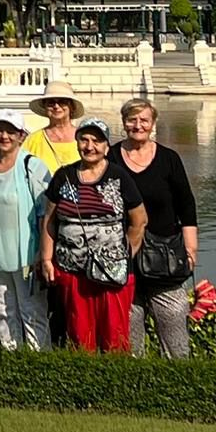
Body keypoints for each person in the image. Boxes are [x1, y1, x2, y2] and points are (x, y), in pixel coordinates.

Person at [39, 116, 147, 352]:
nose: (89, 146)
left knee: (115, 336)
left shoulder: (118, 177)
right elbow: (49, 220)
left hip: (112, 272)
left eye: (96, 141)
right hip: (72, 270)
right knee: (79, 334)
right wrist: (47, 259)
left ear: (106, 146)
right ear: (76, 142)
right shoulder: (63, 176)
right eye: (84, 140)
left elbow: (139, 220)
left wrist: (123, 254)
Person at [112, 98, 198, 358]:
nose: (137, 125)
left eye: (144, 120)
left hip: (166, 254)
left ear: (153, 124)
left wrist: (191, 249)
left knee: (175, 336)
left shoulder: (168, 159)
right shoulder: (112, 157)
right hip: (123, 254)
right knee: (128, 333)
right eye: (132, 120)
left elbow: (187, 205)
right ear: (124, 122)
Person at [0, 109, 51, 351]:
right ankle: (11, 354)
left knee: (32, 310)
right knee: (3, 310)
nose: (4, 136)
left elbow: (44, 211)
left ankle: (38, 358)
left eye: (10, 131)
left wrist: (42, 254)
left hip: (25, 254)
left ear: (21, 135)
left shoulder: (32, 166)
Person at [25, 81, 84, 171]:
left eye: (62, 102)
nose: (56, 106)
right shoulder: (32, 141)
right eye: (51, 102)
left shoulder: (84, 138)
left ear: (71, 106)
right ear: (45, 106)